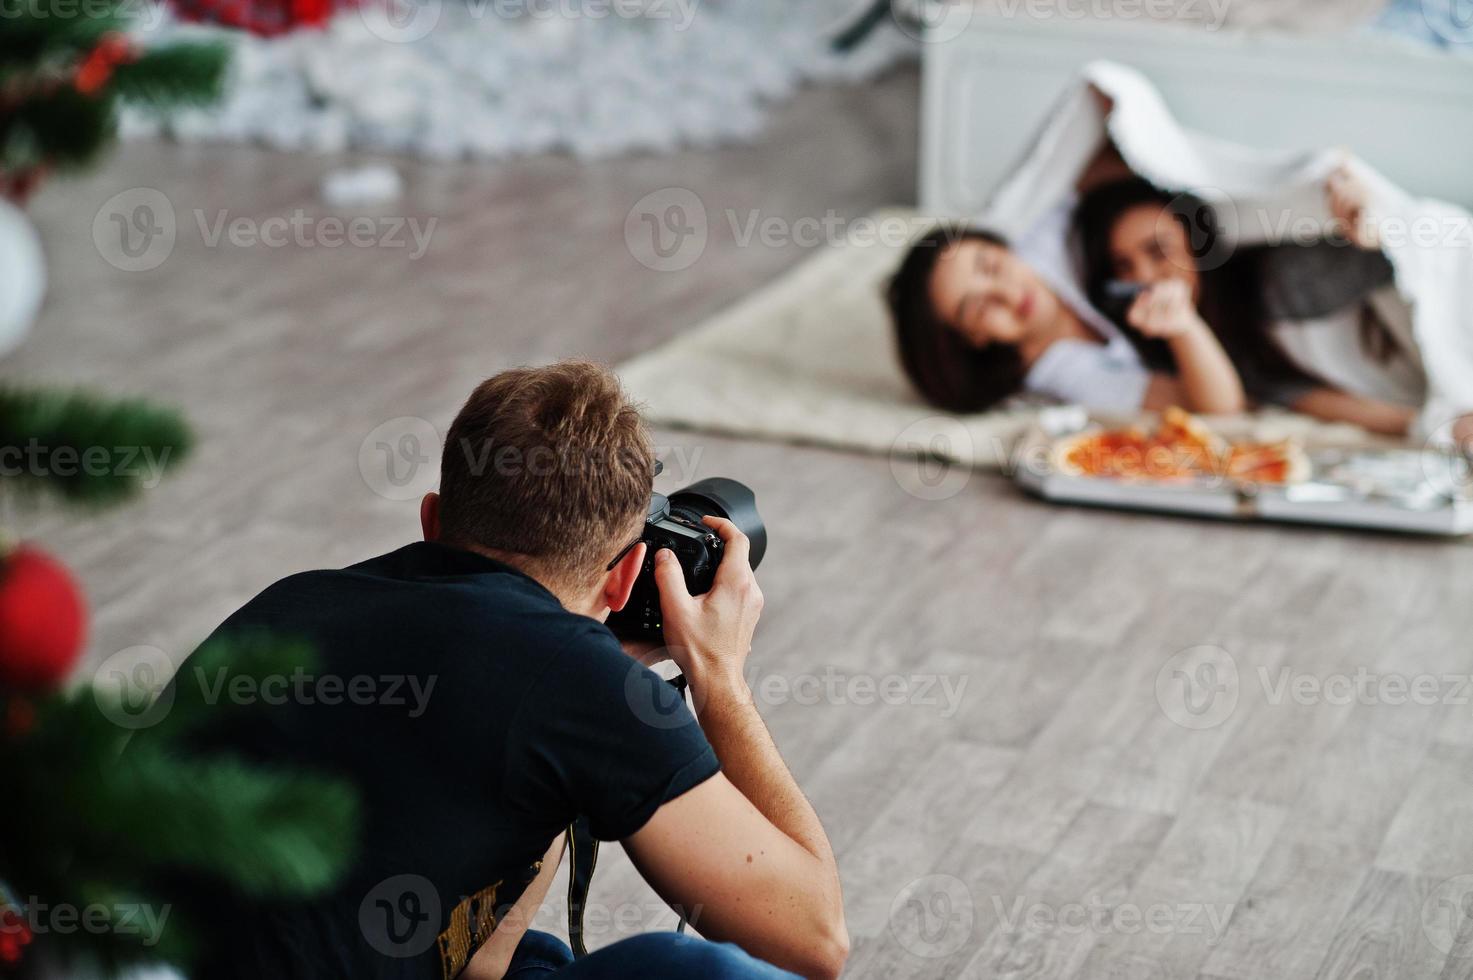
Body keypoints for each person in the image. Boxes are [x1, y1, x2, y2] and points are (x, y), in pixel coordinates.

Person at [175, 361, 848, 980]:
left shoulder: (293, 598)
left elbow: (480, 959)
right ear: (625, 579)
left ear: (432, 518)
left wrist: (583, 679)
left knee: (532, 956)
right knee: (686, 967)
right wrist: (717, 674)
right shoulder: (582, 687)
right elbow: (814, 939)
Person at [1073, 173, 1432, 438]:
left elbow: (1419, 265)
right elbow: (1288, 399)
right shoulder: (1196, 340)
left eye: (1158, 250)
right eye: (1124, 266)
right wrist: (1426, 425)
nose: (1145, 276)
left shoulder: (1279, 278)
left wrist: (1372, 223)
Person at [885, 202, 1247, 416]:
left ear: (1002, 246)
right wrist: (1185, 328)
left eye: (992, 266)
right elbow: (1221, 409)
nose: (1009, 294)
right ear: (974, 338)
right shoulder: (1064, 373)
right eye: (981, 308)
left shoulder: (1042, 235)